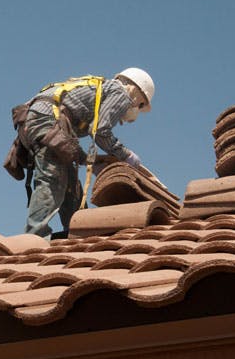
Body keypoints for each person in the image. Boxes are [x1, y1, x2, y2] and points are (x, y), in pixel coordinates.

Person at [18, 67, 155, 238]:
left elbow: (67, 137)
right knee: (53, 180)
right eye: (141, 104)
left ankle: (79, 232)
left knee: (71, 186)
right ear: (137, 90)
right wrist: (125, 155)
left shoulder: (101, 88)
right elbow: (100, 130)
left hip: (37, 122)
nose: (136, 107)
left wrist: (91, 160)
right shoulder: (121, 93)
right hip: (47, 122)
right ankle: (33, 237)